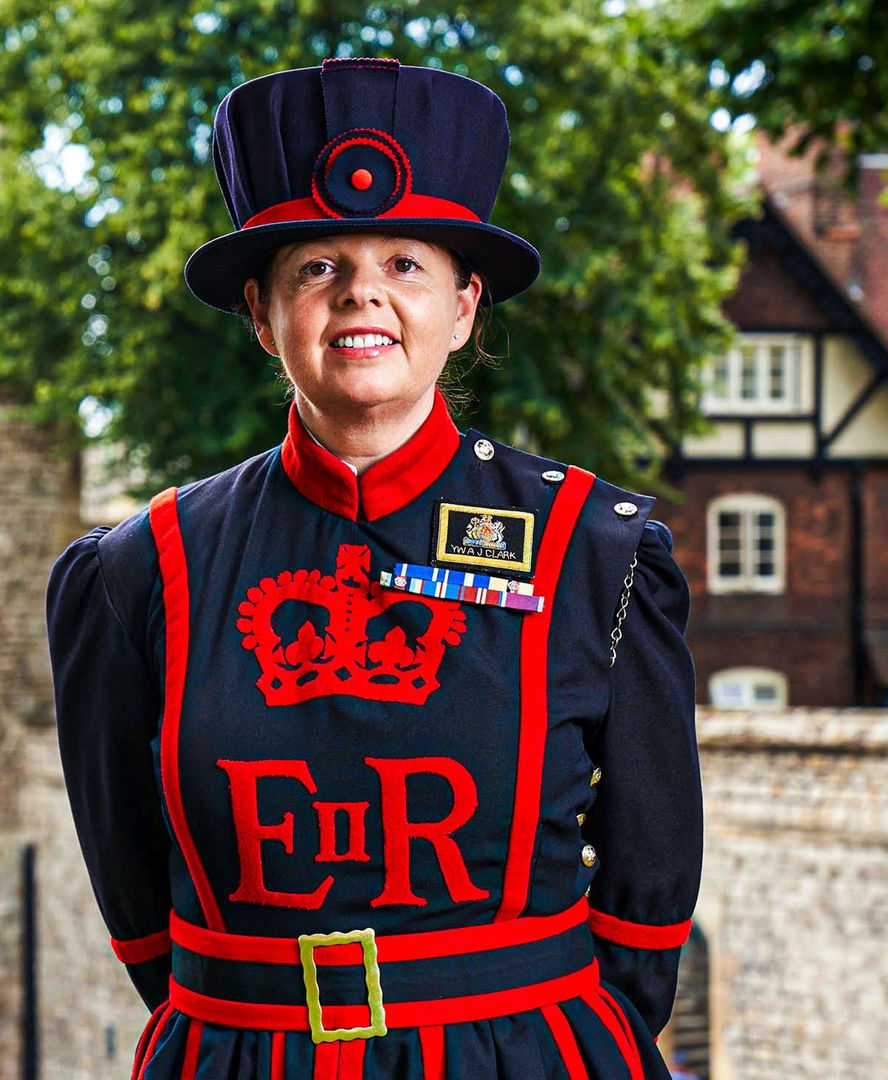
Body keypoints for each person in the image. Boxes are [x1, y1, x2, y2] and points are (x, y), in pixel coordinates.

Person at [47, 57, 702, 1079]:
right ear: (263, 315)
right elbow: (135, 900)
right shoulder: (141, 569)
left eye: (406, 263)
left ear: (465, 307)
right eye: (318, 266)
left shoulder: (595, 551)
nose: (363, 293)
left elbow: (649, 888)